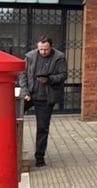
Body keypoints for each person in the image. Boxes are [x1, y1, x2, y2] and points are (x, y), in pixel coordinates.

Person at [18, 36, 68, 167]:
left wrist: (49, 79)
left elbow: (63, 75)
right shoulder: (30, 56)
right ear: (37, 46)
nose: (43, 52)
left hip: (46, 98)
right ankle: (12, 150)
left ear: (51, 46)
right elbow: (22, 74)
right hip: (30, 95)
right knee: (12, 118)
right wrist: (25, 91)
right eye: (40, 49)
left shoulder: (59, 57)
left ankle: (39, 156)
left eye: (45, 49)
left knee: (42, 128)